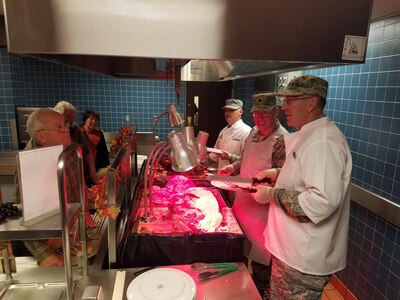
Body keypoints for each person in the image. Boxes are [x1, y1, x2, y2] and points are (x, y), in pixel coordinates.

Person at [251, 75, 352, 299]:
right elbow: (305, 175)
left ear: (311, 103)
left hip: (302, 261)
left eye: (290, 100)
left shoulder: (323, 142)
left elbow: (320, 203)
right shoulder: (311, 135)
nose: (284, 106)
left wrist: (272, 194)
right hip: (291, 253)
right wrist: (276, 173)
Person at [218, 93, 287, 299]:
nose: (259, 118)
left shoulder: (282, 140)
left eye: (264, 113)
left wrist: (264, 188)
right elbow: (244, 158)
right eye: (256, 113)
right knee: (239, 259)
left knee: (261, 268)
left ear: (276, 111)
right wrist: (233, 166)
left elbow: (285, 177)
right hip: (242, 206)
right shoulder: (253, 133)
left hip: (263, 214)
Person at [14, 108, 74, 267]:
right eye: (59, 127)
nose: (67, 130)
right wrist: (44, 254)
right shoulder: (30, 164)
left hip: (61, 235)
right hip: (40, 250)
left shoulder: (63, 152)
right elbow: (21, 215)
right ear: (41, 136)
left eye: (65, 124)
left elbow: (72, 186)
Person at [54, 101, 100, 186]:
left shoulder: (75, 128)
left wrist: (92, 173)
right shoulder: (51, 131)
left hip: (77, 173)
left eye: (73, 117)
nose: (71, 121)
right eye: (68, 117)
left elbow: (87, 151)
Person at [208, 99, 251, 169]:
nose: (227, 113)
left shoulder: (246, 131)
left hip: (237, 177)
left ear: (240, 112)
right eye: (226, 110)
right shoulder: (224, 131)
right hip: (222, 174)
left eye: (231, 110)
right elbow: (215, 153)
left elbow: (248, 160)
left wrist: (230, 157)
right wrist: (202, 162)